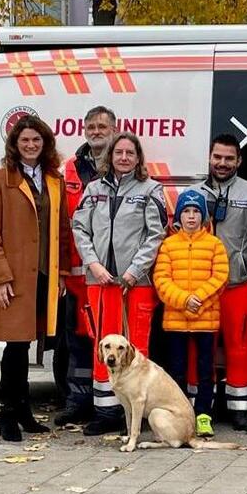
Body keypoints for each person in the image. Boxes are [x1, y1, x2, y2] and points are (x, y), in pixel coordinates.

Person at [72, 132, 168, 436]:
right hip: (100, 281)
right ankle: (105, 411)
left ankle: (135, 413)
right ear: (110, 156)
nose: (124, 157)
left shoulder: (151, 189)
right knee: (103, 346)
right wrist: (95, 265)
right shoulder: (93, 189)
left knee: (136, 344)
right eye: (119, 152)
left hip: (134, 284)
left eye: (130, 152)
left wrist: (134, 271)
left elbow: (156, 234)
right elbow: (79, 228)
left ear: (138, 157)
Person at [0, 115, 69, 441]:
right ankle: (8, 413)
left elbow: (61, 230)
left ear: (44, 143)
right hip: (14, 277)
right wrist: (0, 278)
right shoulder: (0, 179)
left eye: (36, 140)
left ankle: (24, 411)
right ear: (15, 145)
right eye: (25, 141)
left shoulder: (53, 180)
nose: (31, 145)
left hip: (43, 276)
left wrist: (60, 272)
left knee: (32, 343)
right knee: (15, 346)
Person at [190, 134, 247, 431]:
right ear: (209, 157)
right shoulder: (193, 193)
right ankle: (197, 407)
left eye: (229, 158)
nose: (222, 163)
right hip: (200, 287)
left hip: (237, 284)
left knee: (240, 347)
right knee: (198, 350)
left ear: (239, 161)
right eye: (217, 157)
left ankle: (240, 410)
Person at [56, 105, 117, 427]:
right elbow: (61, 227)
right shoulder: (68, 170)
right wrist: (62, 271)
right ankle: (75, 401)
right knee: (76, 343)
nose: (96, 131)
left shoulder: (122, 166)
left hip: (108, 276)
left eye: (102, 126)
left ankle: (106, 403)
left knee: (109, 341)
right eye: (91, 126)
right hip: (77, 276)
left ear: (114, 129)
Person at [154, 189, 229, 438]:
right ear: (178, 216)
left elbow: (220, 277)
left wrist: (199, 301)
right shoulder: (168, 245)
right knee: (177, 372)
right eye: (186, 211)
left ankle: (204, 416)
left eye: (196, 211)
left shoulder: (214, 245)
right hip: (175, 322)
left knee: (205, 371)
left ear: (204, 217)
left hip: (205, 321)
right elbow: (161, 280)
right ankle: (180, 416)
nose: (191, 217)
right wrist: (185, 300)